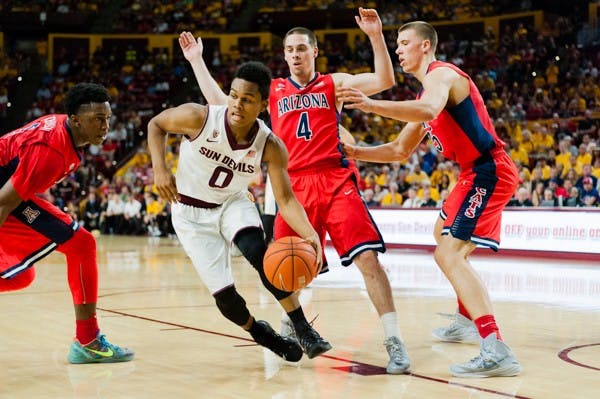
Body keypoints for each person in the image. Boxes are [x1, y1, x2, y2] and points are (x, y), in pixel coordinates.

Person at [179, 6, 411, 375]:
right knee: (284, 266)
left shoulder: (334, 83)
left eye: (302, 48)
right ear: (284, 55)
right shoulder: (272, 92)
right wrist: (196, 61)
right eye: (289, 50)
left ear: (314, 51)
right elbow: (222, 103)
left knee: (368, 259)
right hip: (293, 185)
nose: (295, 55)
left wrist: (375, 36)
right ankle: (294, 325)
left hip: (335, 178)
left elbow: (384, 78)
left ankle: (394, 339)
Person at [337, 21, 521, 378]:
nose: (399, 50)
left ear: (425, 46)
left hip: (489, 170)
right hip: (472, 173)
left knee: (448, 253)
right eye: (397, 44)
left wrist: (371, 105)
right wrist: (353, 151)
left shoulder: (442, 77)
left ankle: (496, 347)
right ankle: (468, 319)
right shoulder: (424, 98)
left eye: (404, 43)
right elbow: (397, 150)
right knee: (443, 236)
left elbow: (428, 110)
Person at [147, 61, 331, 362]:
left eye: (246, 99)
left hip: (232, 202)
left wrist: (310, 234)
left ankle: (303, 327)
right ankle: (261, 332)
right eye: (233, 95)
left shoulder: (270, 145)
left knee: (261, 254)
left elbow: (285, 200)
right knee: (226, 299)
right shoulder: (199, 118)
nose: (237, 104)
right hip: (190, 214)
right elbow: (156, 124)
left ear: (261, 105)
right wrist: (160, 168)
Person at [0, 82, 134, 364]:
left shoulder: (65, 133)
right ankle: (88, 340)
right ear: (75, 120)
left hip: (8, 193)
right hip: (3, 196)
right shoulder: (53, 150)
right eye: (97, 119)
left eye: (107, 118)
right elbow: (4, 201)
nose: (105, 125)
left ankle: (87, 340)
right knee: (81, 244)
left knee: (20, 275)